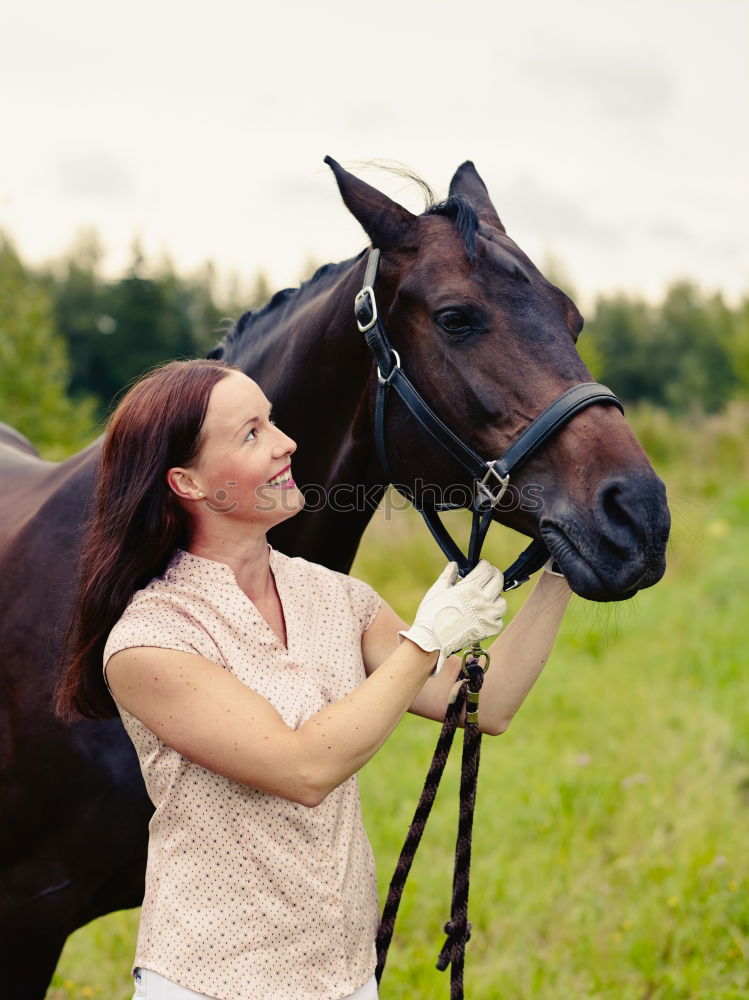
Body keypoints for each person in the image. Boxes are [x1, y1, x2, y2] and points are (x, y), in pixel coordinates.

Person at [56, 358, 571, 1000]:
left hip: (345, 975)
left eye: (271, 421)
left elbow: (480, 706)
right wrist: (426, 640)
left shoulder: (334, 596)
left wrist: (563, 562)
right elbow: (302, 769)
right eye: (251, 434)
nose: (286, 442)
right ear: (187, 482)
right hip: (212, 980)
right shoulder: (151, 640)